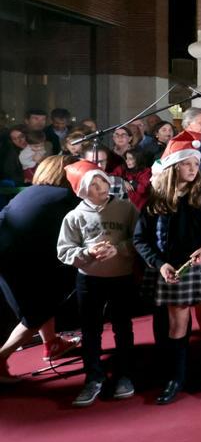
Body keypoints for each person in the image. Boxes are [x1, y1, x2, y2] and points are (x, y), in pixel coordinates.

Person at [133, 131, 201, 405]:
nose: (193, 169)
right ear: (174, 167)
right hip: (171, 269)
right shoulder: (156, 199)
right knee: (177, 326)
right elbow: (140, 239)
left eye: (195, 164)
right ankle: (176, 379)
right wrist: (159, 264)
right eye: (187, 164)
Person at [57, 161, 138, 407]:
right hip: (89, 279)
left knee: (123, 327)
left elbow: (139, 239)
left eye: (102, 180)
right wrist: (88, 253)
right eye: (93, 184)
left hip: (121, 276)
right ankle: (93, 377)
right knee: (91, 330)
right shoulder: (74, 216)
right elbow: (64, 251)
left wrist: (118, 249)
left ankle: (124, 374)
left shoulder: (125, 207)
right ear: (82, 190)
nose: (101, 186)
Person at [0, 155, 82, 383]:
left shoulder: (30, 192)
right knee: (36, 313)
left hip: (8, 253)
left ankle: (52, 343)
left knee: (43, 300)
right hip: (18, 257)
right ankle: (1, 357)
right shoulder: (65, 196)